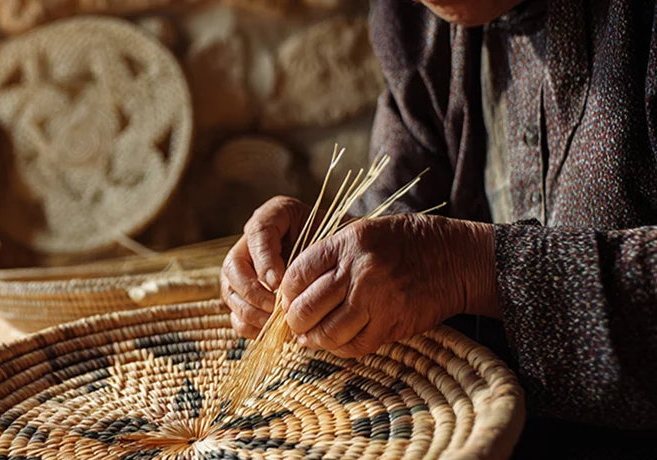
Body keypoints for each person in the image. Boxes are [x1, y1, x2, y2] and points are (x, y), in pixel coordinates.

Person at [221, 0, 657, 454]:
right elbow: (400, 215)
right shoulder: (413, 18)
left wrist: (473, 267)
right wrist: (323, 260)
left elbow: (437, 258)